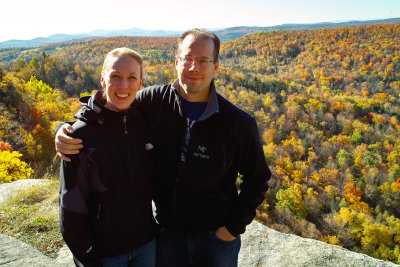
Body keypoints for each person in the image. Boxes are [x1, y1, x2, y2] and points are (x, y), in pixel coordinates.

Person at [56, 29, 271, 267]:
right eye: (187, 59)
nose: (193, 67)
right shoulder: (153, 101)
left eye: (202, 60)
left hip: (215, 239)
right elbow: (110, 109)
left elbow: (258, 179)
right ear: (177, 62)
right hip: (167, 234)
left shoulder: (236, 122)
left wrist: (232, 227)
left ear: (216, 66)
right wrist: (67, 129)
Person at [59, 47, 157, 267]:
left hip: (146, 245)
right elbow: (70, 206)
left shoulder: (144, 124)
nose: (124, 86)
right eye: (115, 76)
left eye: (132, 78)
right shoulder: (80, 136)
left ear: (140, 84)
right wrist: (88, 258)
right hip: (105, 254)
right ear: (103, 80)